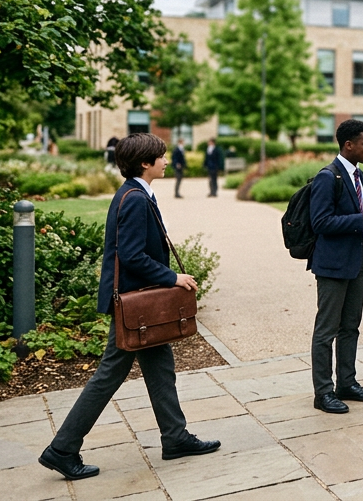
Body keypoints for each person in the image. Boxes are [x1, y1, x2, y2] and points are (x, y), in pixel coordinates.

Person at [38, 133, 219, 481]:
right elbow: (132, 256)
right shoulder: (135, 199)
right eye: (161, 157)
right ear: (144, 164)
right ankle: (62, 449)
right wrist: (173, 278)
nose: (166, 161)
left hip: (141, 307)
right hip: (136, 306)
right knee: (109, 376)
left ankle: (175, 437)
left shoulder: (137, 194)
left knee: (160, 367)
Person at [309, 119, 363, 414]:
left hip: (357, 264)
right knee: (326, 331)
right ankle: (323, 393)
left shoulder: (358, 176)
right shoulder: (327, 177)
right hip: (332, 266)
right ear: (349, 145)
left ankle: (347, 383)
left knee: (350, 327)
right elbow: (320, 223)